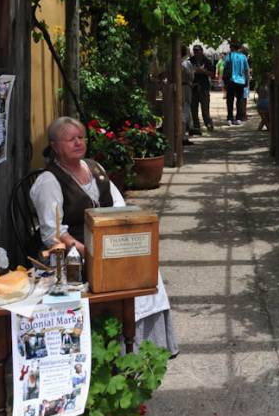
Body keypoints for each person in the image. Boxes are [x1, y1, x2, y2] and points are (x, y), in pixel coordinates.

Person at [30, 117, 179, 354]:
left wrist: (129, 244)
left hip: (110, 248)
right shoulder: (49, 182)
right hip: (72, 259)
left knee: (147, 269)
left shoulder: (94, 168)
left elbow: (120, 208)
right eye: (71, 139)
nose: (79, 142)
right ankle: (120, 347)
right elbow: (54, 234)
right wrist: (92, 253)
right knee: (123, 272)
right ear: (55, 146)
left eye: (81, 137)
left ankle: (143, 347)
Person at [190, 44, 215, 133]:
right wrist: (194, 71)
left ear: (202, 51)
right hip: (193, 87)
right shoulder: (190, 60)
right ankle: (196, 126)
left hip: (204, 86)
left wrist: (203, 71)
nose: (196, 52)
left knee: (205, 107)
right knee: (193, 107)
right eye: (195, 51)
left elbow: (212, 74)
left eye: (198, 50)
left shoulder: (207, 61)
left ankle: (208, 123)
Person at [223, 42, 249, 126]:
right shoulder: (243, 57)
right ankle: (238, 118)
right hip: (241, 81)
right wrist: (247, 81)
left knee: (230, 100)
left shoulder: (229, 56)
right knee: (240, 99)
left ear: (232, 47)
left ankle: (230, 118)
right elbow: (246, 70)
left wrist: (224, 81)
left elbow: (225, 67)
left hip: (231, 80)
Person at [181, 44, 195, 145]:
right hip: (185, 88)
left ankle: (184, 133)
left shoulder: (172, 62)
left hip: (175, 88)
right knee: (185, 110)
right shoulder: (187, 63)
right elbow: (191, 76)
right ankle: (183, 137)